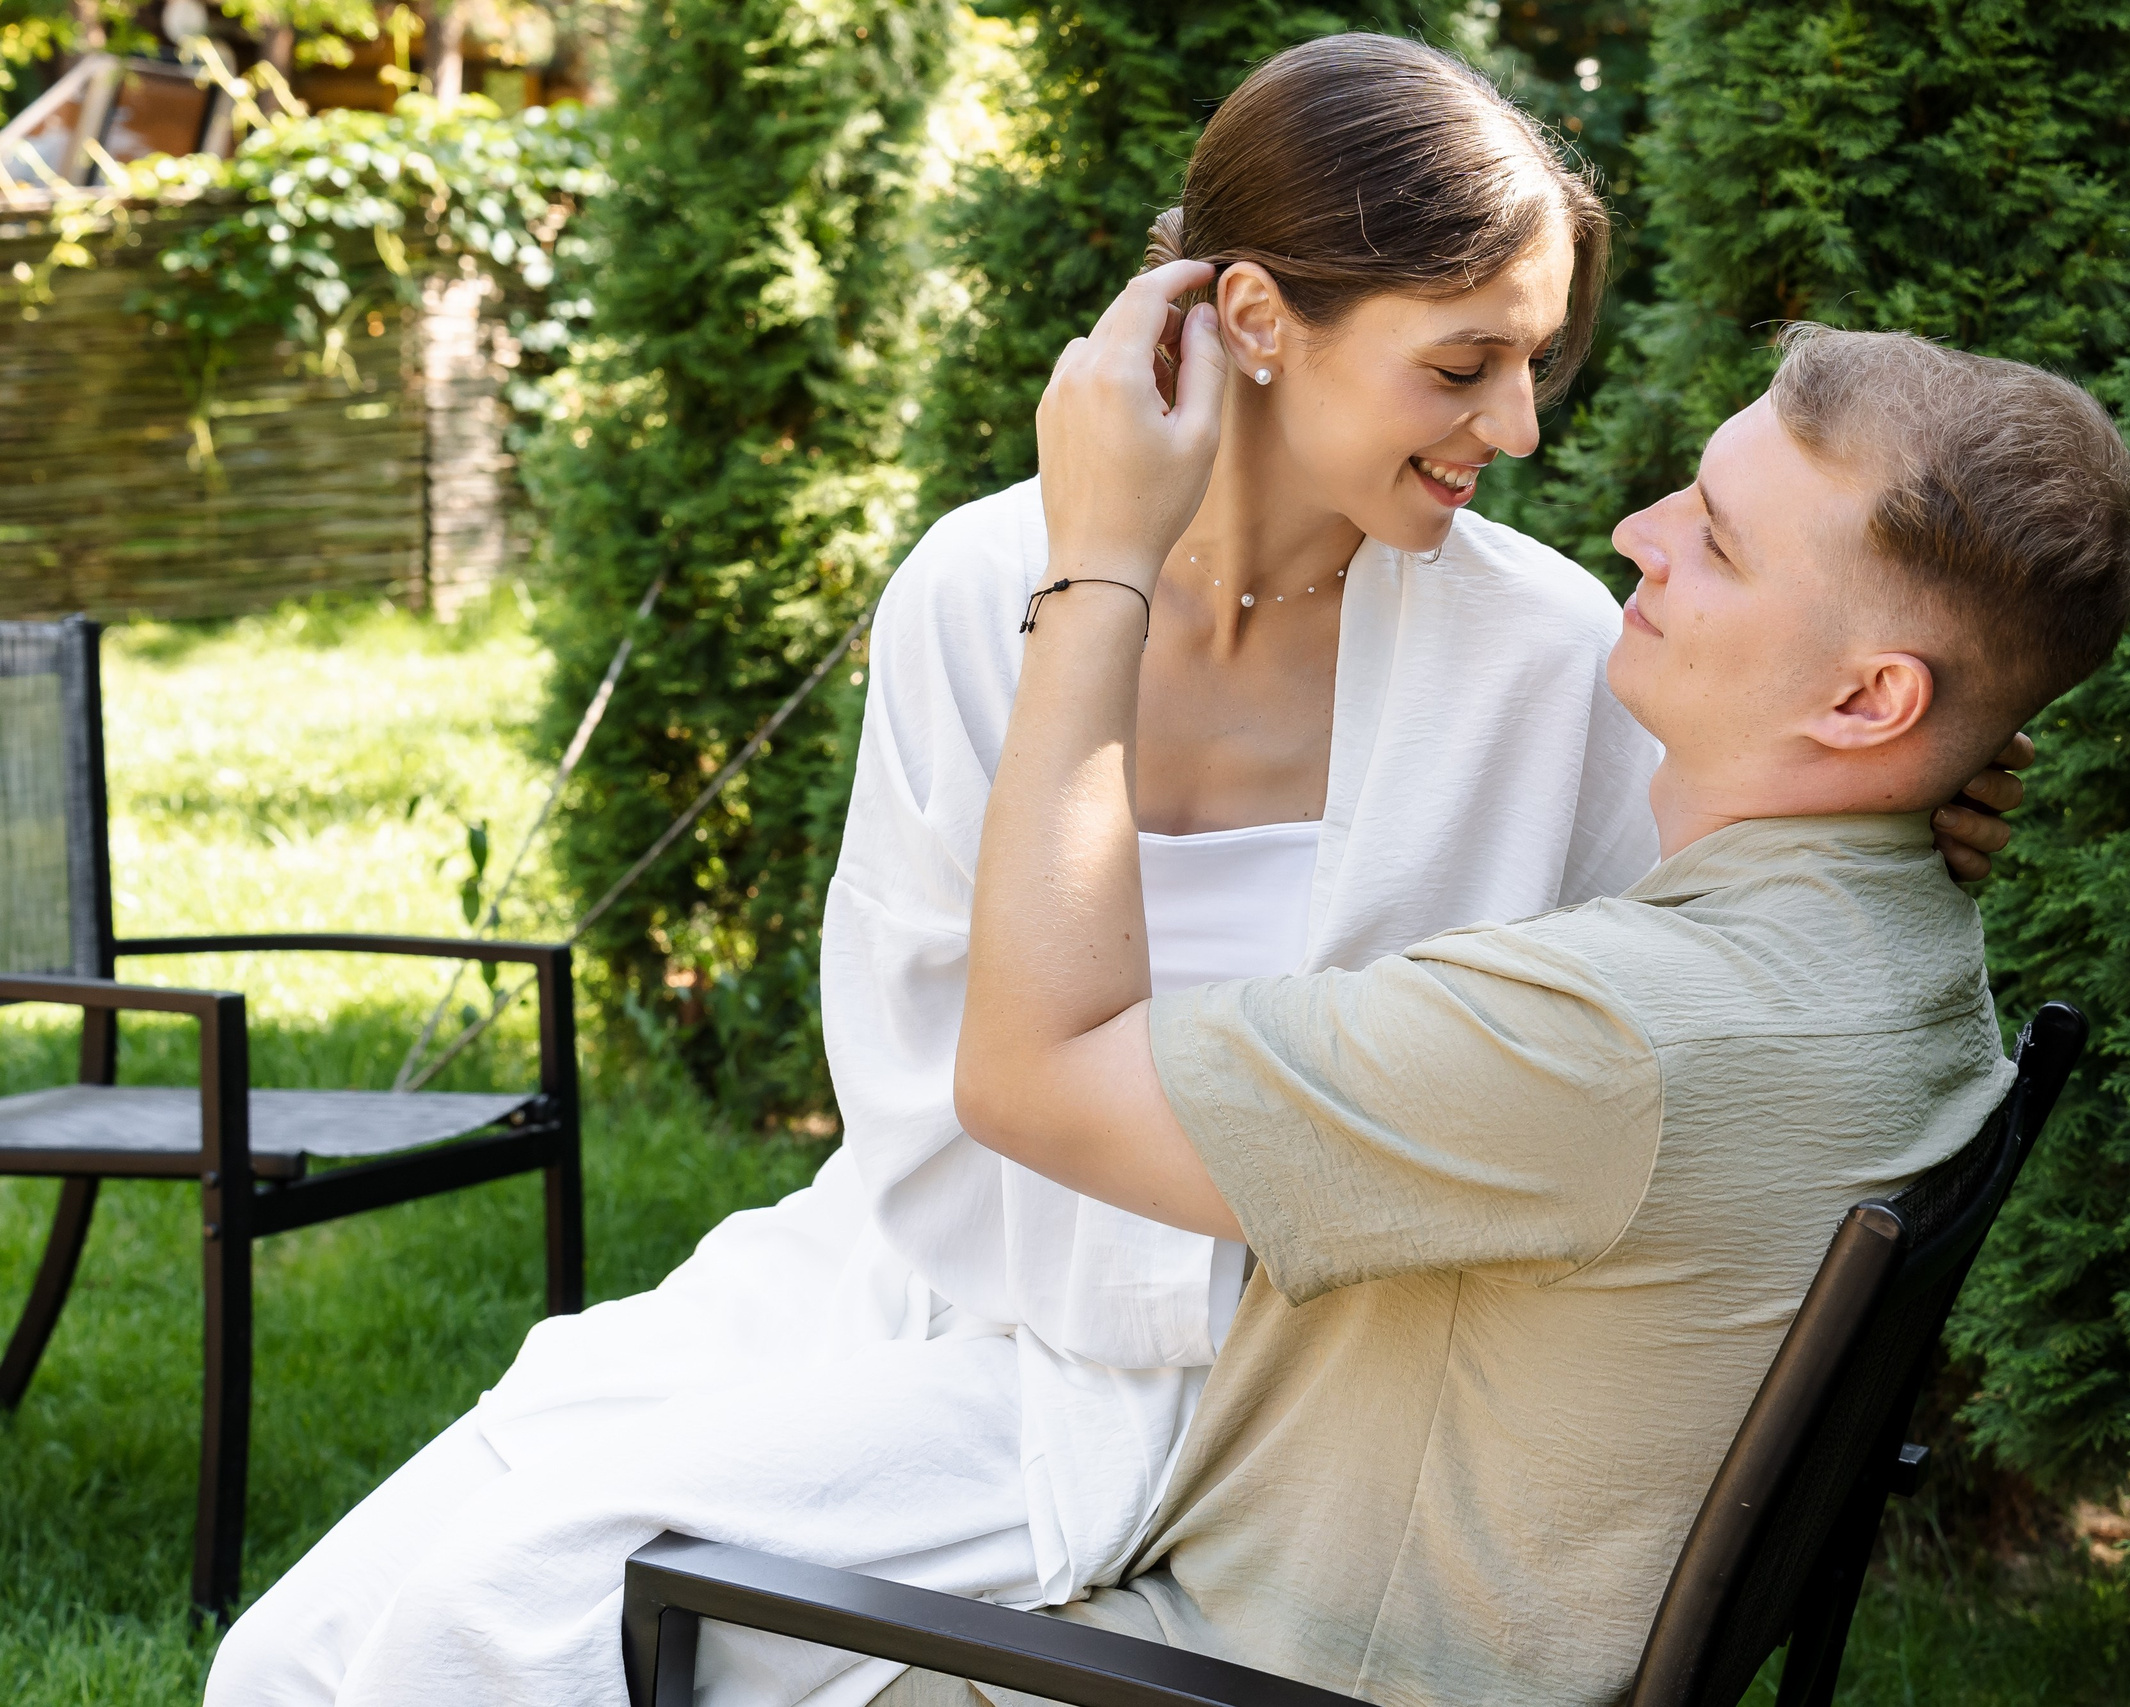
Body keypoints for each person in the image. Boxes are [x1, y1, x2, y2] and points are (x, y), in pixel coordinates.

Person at [204, 35, 2024, 1707]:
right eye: (1464, 363)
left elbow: (1692, 977)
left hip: (1261, 1392)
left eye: (1539, 358)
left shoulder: (1551, 660)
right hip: (942, 1277)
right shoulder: (979, 589)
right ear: (1253, 314)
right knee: (319, 1639)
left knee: (496, 1616)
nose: (1524, 425)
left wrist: (1907, 786)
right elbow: (923, 1075)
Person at [907, 280, 2130, 1706]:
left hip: (1202, 1671)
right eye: (1692, 492)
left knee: (629, 1597)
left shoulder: (1606, 1041)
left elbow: (1026, 1077)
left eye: (1719, 545)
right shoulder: (1909, 946)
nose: (1637, 535)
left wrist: (1099, 567)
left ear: (1869, 704)